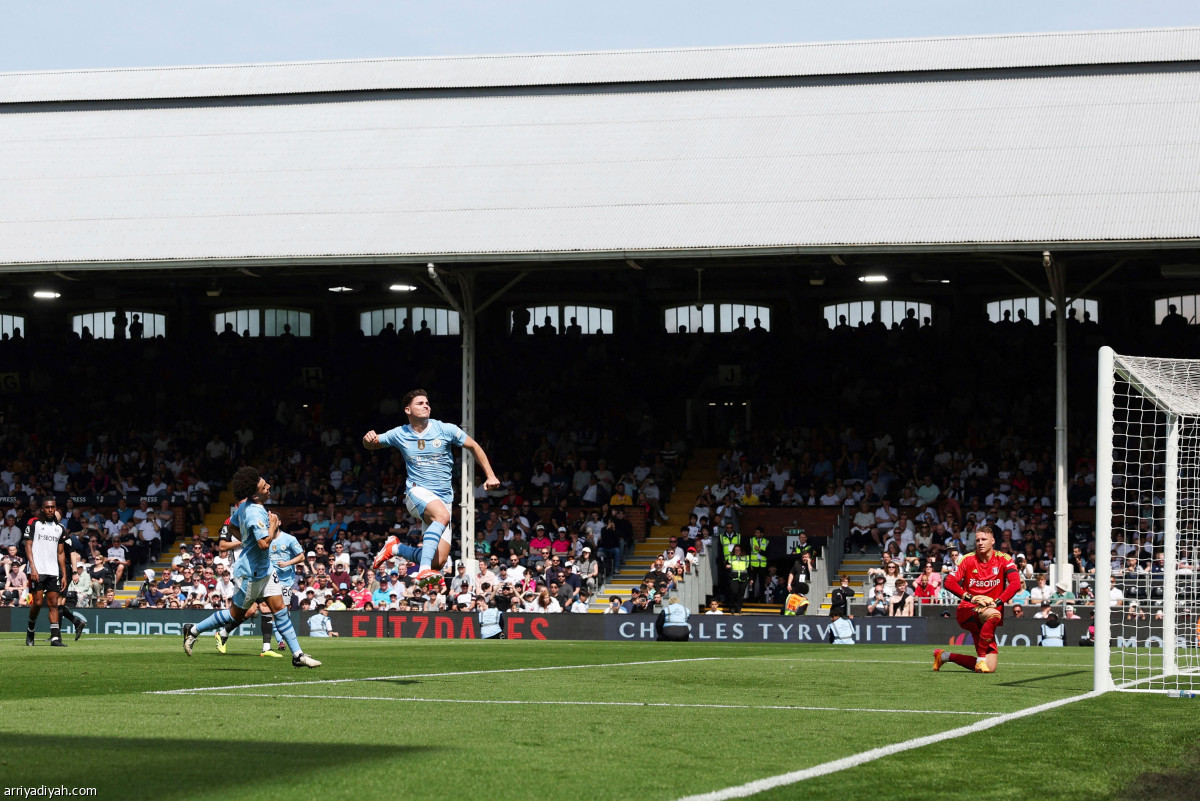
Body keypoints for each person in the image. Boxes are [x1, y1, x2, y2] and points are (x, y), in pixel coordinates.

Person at [182, 467, 320, 669]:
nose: (269, 486)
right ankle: (193, 630)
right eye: (265, 486)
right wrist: (272, 525)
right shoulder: (255, 512)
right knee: (235, 615)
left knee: (280, 610)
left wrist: (246, 540)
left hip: (265, 569)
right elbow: (264, 543)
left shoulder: (245, 505)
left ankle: (297, 655)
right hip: (252, 573)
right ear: (256, 493)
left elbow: (231, 526)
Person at [364, 389, 501, 590]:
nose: (426, 405)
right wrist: (367, 441)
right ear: (408, 409)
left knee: (439, 561)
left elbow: (474, 446)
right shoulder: (399, 433)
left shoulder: (445, 429)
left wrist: (490, 475)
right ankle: (423, 569)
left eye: (427, 402)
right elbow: (372, 445)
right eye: (420, 403)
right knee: (441, 518)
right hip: (416, 492)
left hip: (443, 498)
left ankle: (394, 547)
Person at [934, 524, 1022, 674]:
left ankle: (944, 656)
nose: (980, 543)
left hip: (989, 612)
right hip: (968, 610)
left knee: (989, 668)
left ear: (993, 541)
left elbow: (1015, 583)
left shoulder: (1004, 559)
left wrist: (997, 601)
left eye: (984, 539)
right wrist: (972, 598)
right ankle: (981, 658)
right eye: (977, 540)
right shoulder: (967, 559)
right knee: (994, 614)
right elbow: (948, 581)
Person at [215, 514, 305, 656]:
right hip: (241, 572)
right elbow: (222, 546)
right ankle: (218, 631)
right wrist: (245, 542)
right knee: (249, 610)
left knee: (267, 608)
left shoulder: (256, 524)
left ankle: (267, 647)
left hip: (258, 572)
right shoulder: (231, 523)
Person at [23, 497, 69, 646]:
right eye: (48, 507)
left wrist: (64, 575)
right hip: (37, 570)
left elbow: (61, 553)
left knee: (53, 603)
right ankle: (31, 629)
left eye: (53, 507)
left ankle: (55, 638)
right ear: (42, 508)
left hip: (53, 571)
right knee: (36, 603)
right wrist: (33, 567)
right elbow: (28, 545)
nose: (50, 510)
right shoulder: (34, 523)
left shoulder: (59, 528)